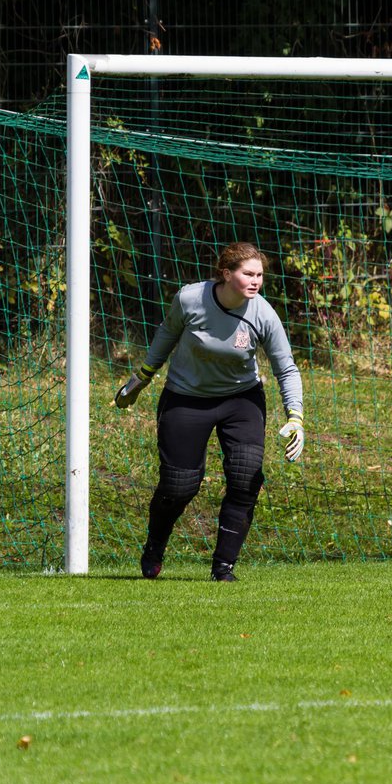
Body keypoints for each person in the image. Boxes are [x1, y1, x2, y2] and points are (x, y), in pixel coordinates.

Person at [114, 241, 304, 582]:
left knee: (246, 478)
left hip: (241, 400)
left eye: (260, 275)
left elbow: (286, 369)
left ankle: (223, 569)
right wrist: (140, 378)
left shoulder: (263, 314)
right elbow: (167, 334)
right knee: (179, 487)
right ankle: (155, 547)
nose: (255, 281)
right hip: (185, 398)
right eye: (248, 273)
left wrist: (296, 418)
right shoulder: (190, 299)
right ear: (225, 273)